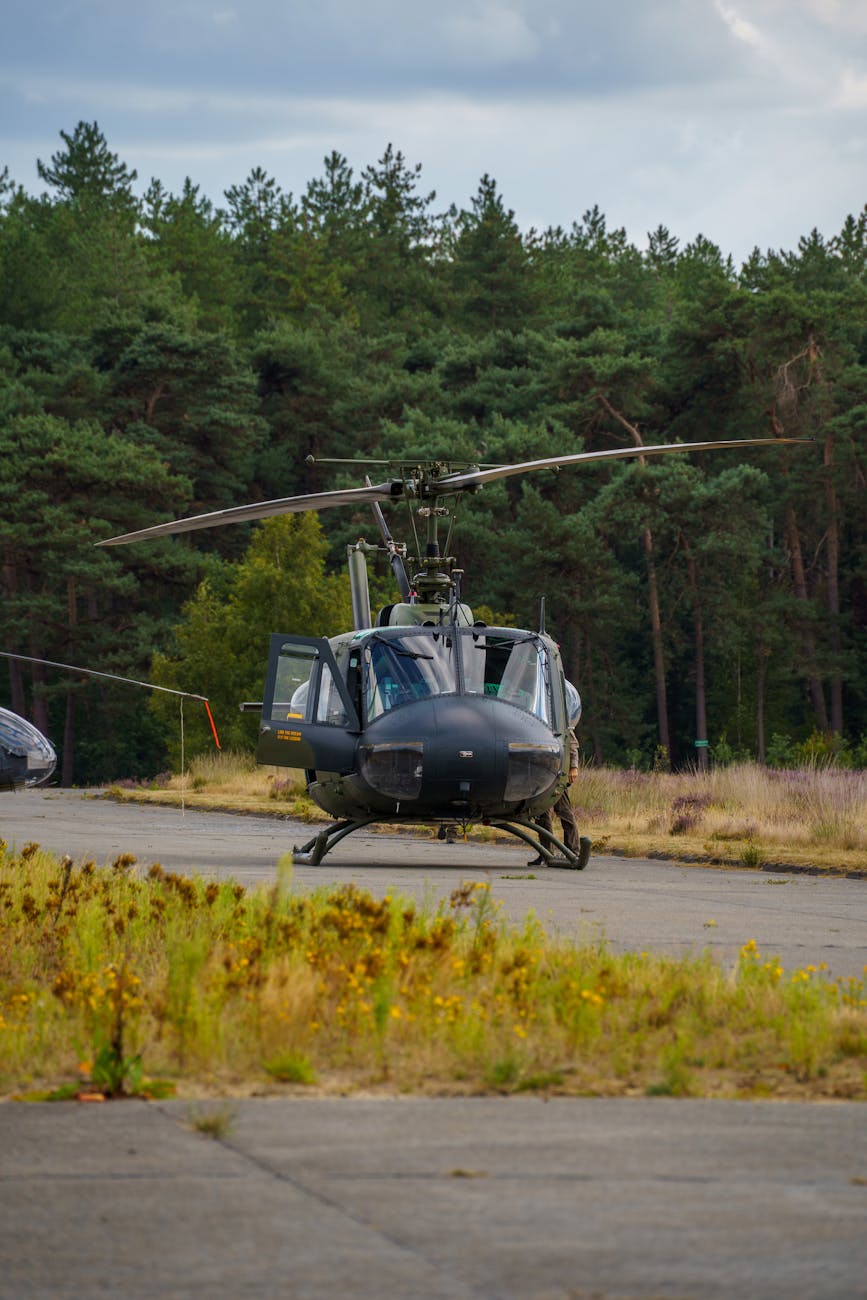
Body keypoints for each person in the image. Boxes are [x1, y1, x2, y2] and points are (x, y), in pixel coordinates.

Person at [527, 727, 588, 866]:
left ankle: (573, 851)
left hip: (558, 775)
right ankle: (546, 852)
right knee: (541, 816)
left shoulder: (559, 719)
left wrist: (574, 767)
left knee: (564, 811)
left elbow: (572, 744)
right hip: (541, 775)